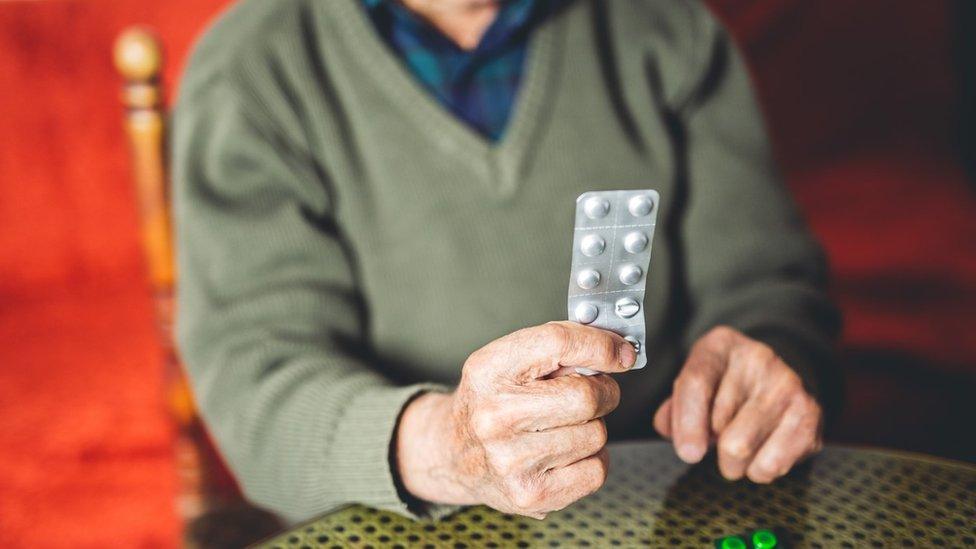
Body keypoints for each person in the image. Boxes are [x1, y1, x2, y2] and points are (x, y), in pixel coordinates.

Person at [172, 0, 841, 523]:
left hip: (665, 497)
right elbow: (256, 387)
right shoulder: (249, 69)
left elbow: (771, 286)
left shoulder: (669, 31)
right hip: (394, 521)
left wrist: (771, 358)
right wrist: (446, 447)